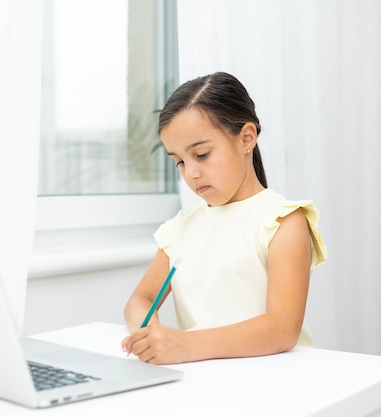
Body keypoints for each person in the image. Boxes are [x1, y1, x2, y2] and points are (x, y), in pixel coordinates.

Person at [121, 72, 327, 364]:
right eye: (179, 161)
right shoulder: (180, 228)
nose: (190, 173)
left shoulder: (282, 220)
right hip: (206, 380)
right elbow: (140, 299)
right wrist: (150, 331)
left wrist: (186, 345)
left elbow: (283, 329)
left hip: (278, 382)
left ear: (246, 138)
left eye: (202, 154)